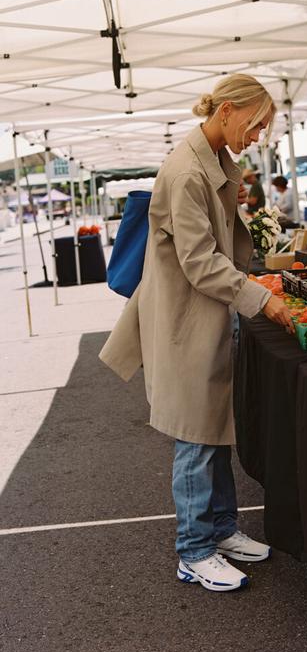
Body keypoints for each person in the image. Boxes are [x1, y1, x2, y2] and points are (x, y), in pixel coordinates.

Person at [99, 74, 293, 593]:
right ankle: (194, 549)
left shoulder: (213, 161)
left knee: (214, 428)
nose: (256, 137)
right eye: (255, 126)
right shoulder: (187, 171)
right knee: (195, 437)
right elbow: (200, 262)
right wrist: (261, 297)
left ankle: (222, 531)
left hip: (205, 314)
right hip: (187, 319)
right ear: (227, 111)